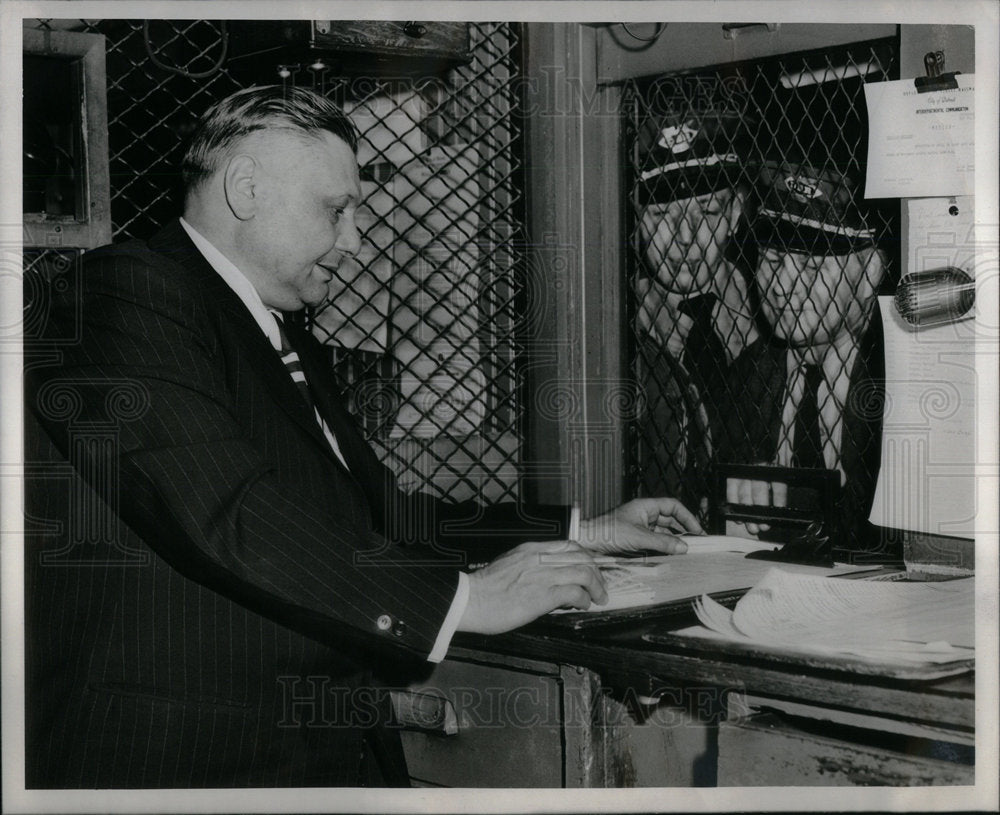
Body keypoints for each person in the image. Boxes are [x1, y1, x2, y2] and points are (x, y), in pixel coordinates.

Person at [22, 85, 702, 788]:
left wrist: (581, 530)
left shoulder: (274, 329)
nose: (354, 240)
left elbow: (377, 514)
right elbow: (229, 510)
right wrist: (467, 599)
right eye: (336, 209)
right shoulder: (125, 291)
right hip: (177, 762)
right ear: (245, 188)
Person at [721, 160, 888, 555]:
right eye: (773, 260)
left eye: (812, 267)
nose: (781, 286)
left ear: (869, 273)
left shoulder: (897, 385)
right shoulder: (747, 375)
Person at [632, 109, 758, 516]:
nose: (686, 237)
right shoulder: (615, 331)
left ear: (736, 212)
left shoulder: (777, 310)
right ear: (634, 222)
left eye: (706, 211)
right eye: (661, 214)